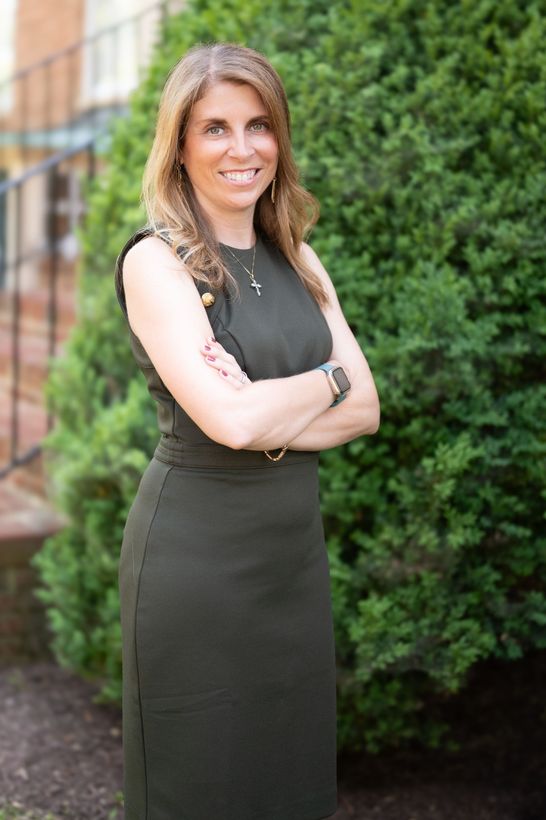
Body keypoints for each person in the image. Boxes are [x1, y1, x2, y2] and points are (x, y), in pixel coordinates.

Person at [114, 42, 380, 820]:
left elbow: (364, 409)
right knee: (199, 785)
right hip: (195, 563)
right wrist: (323, 382)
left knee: (285, 779)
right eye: (216, 128)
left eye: (259, 125)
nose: (242, 148)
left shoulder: (298, 254)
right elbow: (230, 421)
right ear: (182, 145)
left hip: (289, 558)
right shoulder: (158, 265)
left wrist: (284, 403)